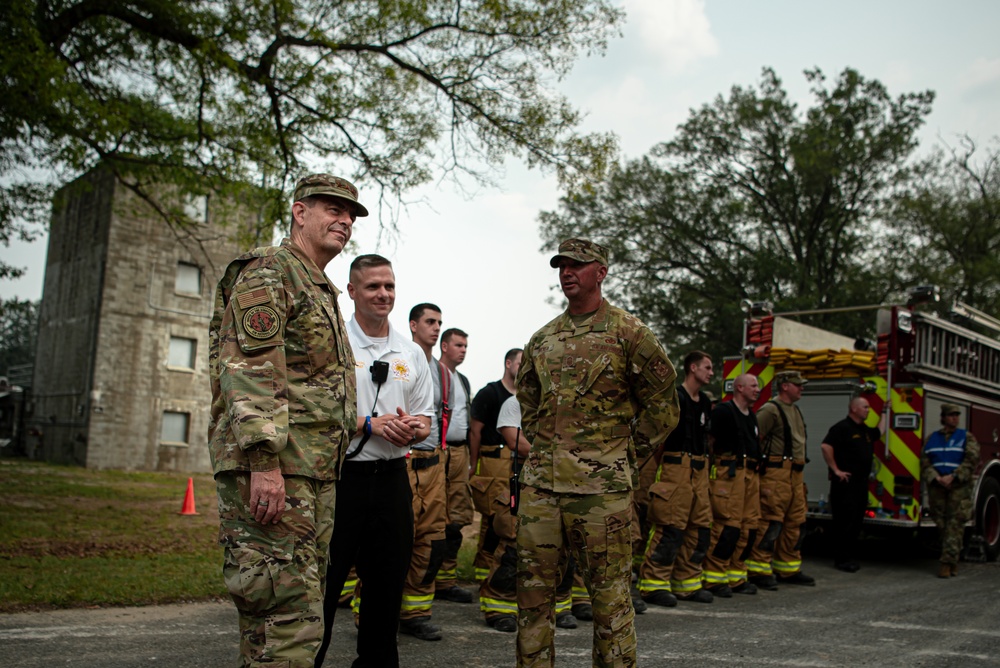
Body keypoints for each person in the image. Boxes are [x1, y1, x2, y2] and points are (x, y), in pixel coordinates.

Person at [208, 173, 362, 666]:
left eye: (351, 215)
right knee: (286, 624)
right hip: (278, 472)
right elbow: (250, 372)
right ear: (300, 213)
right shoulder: (271, 272)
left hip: (310, 474)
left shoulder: (317, 285)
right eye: (332, 210)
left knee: (292, 620)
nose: (344, 221)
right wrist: (264, 464)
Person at [516, 238, 680, 668]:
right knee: (533, 598)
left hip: (600, 494)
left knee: (609, 602)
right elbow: (529, 402)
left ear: (601, 272)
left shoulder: (629, 333)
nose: (567, 272)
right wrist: (547, 449)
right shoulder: (543, 338)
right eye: (562, 266)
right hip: (541, 491)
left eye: (578, 265)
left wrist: (621, 456)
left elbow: (664, 406)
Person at [315, 254, 434, 668]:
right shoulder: (335, 345)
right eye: (372, 286)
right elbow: (316, 410)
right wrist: (369, 424)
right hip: (342, 480)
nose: (383, 294)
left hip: (391, 481)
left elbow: (425, 418)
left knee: (385, 590)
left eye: (389, 286)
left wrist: (411, 429)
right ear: (351, 292)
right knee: (325, 589)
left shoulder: (411, 352)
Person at [638, 351, 714, 606]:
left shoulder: (704, 401)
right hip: (675, 467)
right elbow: (657, 439)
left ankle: (687, 582)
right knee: (669, 526)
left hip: (699, 470)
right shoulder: (674, 398)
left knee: (700, 528)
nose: (711, 373)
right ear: (692, 368)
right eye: (707, 367)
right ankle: (654, 583)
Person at [469, 349, 523, 631]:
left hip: (514, 468)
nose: (523, 367)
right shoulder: (490, 394)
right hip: (493, 462)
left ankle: (489, 578)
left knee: (506, 525)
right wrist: (472, 464)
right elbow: (475, 431)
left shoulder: (529, 399)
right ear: (508, 363)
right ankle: (483, 579)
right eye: (519, 362)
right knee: (494, 523)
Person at [747, 370, 815, 590]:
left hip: (795, 473)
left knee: (795, 521)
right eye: (798, 384)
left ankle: (788, 567)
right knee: (770, 520)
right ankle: (759, 569)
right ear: (785, 386)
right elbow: (754, 437)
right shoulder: (770, 410)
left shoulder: (795, 410)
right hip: (776, 474)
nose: (801, 388)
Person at [703, 373, 762, 597]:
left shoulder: (752, 416)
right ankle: (714, 576)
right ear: (739, 387)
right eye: (753, 385)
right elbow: (710, 442)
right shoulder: (723, 412)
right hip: (729, 475)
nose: (757, 389)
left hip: (750, 476)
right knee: (727, 525)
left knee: (748, 527)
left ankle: (736, 574)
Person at [820, 396, 887, 573]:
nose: (868, 410)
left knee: (856, 522)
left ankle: (849, 557)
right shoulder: (841, 428)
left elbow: (879, 433)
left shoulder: (863, 430)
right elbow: (826, 447)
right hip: (845, 484)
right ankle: (841, 559)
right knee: (845, 522)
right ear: (854, 409)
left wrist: (885, 412)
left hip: (860, 483)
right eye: (865, 407)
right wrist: (836, 470)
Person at [434, 327, 476, 604]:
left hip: (459, 453)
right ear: (445, 346)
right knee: (431, 516)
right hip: (435, 451)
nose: (463, 350)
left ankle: (446, 581)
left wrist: (472, 460)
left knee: (456, 517)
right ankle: (423, 578)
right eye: (458, 345)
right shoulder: (431, 373)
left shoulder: (463, 380)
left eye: (465, 346)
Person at [921, 403, 980, 578]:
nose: (954, 418)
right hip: (937, 487)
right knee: (941, 523)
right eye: (951, 415)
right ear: (943, 418)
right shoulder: (932, 438)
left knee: (955, 524)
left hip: (958, 487)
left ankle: (947, 563)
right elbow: (924, 461)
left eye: (956, 415)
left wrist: (953, 476)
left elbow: (972, 459)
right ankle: (953, 558)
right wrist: (936, 477)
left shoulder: (966, 437)